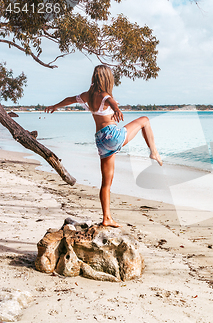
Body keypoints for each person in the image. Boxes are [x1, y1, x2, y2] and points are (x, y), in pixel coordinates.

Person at [45, 65, 163, 227]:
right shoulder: (105, 95)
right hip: (112, 135)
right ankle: (154, 152)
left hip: (101, 140)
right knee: (145, 120)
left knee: (106, 183)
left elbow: (70, 100)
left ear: (94, 78)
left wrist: (55, 106)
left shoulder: (88, 95)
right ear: (108, 79)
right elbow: (111, 102)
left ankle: (107, 218)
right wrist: (117, 109)